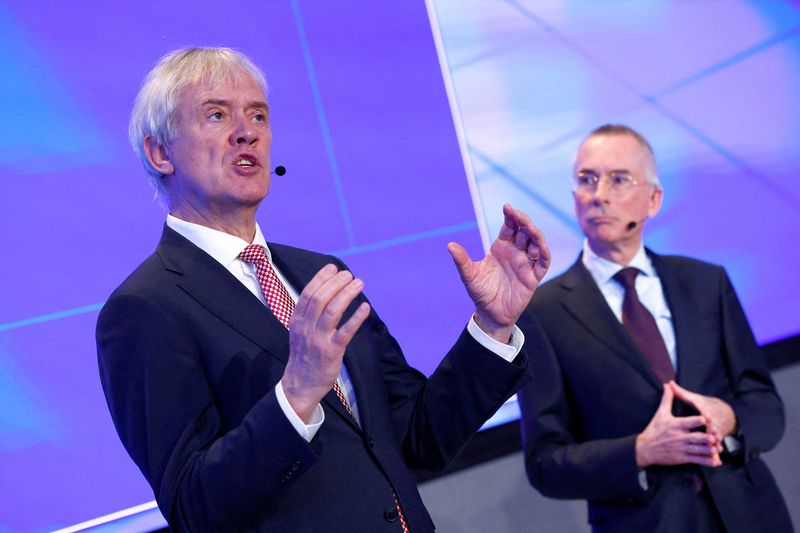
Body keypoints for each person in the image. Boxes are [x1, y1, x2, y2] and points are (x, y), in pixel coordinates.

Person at [96, 47, 551, 532]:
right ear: (160, 153)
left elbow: (418, 437)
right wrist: (297, 394)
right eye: (216, 114)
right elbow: (194, 507)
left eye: (258, 115)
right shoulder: (145, 308)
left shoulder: (320, 274)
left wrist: (492, 325)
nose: (247, 131)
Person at [517, 124, 792, 533]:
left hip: (749, 515)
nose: (599, 194)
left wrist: (729, 417)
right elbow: (545, 464)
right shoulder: (542, 313)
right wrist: (640, 451)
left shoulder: (706, 283)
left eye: (619, 179)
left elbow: (767, 408)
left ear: (653, 199)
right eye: (586, 179)